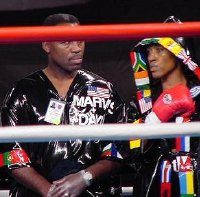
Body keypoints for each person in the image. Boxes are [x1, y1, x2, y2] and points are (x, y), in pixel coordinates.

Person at [0, 13, 126, 197]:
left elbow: (119, 148)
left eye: (80, 41)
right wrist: (49, 191)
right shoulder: (23, 92)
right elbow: (9, 154)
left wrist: (85, 177)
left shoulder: (104, 90)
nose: (76, 49)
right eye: (66, 42)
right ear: (46, 45)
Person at [127, 34, 200, 197]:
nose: (151, 58)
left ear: (179, 53)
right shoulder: (141, 101)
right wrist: (155, 117)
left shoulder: (199, 96)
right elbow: (127, 151)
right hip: (152, 184)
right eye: (149, 52)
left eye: (159, 50)